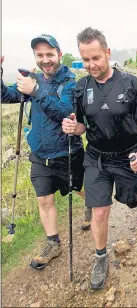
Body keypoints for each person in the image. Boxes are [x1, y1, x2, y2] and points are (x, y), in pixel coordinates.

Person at [61, 27, 137, 290]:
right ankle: (100, 257)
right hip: (96, 159)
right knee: (99, 211)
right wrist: (72, 127)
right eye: (85, 60)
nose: (91, 65)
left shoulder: (130, 83)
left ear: (107, 53)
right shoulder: (81, 87)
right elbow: (81, 126)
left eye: (96, 58)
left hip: (126, 158)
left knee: (130, 199)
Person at [1, 34, 91, 270]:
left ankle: (91, 206)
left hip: (67, 154)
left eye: (49, 54)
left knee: (80, 189)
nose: (45, 60)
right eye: (40, 55)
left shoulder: (70, 84)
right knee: (44, 200)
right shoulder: (32, 80)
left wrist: (37, 90)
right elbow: (7, 96)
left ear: (59, 55)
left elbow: (65, 112)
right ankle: (53, 243)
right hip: (40, 155)